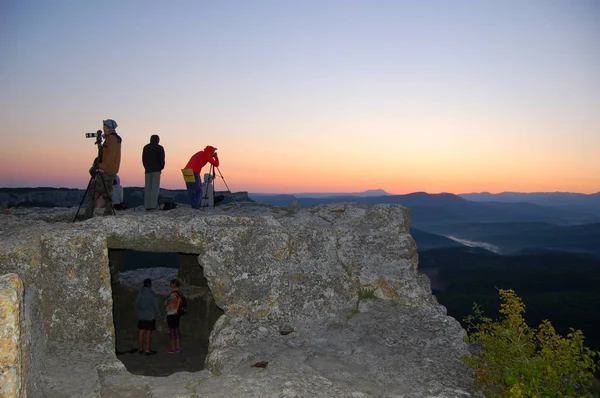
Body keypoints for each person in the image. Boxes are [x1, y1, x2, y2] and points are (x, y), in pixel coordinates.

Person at [84, 119, 122, 218]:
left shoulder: (111, 139)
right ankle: (108, 213)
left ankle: (89, 214)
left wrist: (101, 167)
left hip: (106, 170)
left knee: (94, 190)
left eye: (104, 126)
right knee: (107, 192)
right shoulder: (114, 138)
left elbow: (110, 156)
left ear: (107, 127)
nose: (103, 128)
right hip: (111, 169)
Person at [134, 278, 160, 356]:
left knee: (141, 332)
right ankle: (148, 350)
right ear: (150, 285)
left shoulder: (140, 293)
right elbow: (155, 306)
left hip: (141, 316)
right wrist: (158, 314)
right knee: (148, 333)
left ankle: (140, 349)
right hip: (150, 316)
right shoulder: (152, 294)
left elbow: (136, 304)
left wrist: (137, 311)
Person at [142, 134, 165, 211]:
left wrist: (146, 167)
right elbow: (161, 159)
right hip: (156, 170)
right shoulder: (160, 148)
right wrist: (161, 167)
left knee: (148, 187)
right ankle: (153, 205)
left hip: (147, 170)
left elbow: (143, 159)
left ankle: (147, 205)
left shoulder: (146, 147)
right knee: (154, 188)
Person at [164, 279, 183, 354]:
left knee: (172, 331)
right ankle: (178, 347)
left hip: (172, 314)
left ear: (173, 285)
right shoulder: (180, 293)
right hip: (177, 314)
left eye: (170, 285)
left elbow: (166, 302)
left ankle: (173, 348)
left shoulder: (173, 294)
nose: (170, 286)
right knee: (176, 330)